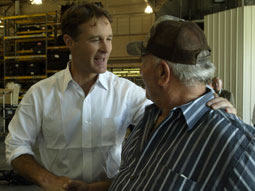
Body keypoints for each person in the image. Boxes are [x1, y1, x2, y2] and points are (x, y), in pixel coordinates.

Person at [5, 4, 237, 191]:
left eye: (109, 38)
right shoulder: (40, 95)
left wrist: (210, 105)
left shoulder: (127, 93)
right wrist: (48, 181)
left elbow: (173, 112)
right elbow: (16, 145)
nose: (107, 48)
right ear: (69, 42)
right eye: (95, 40)